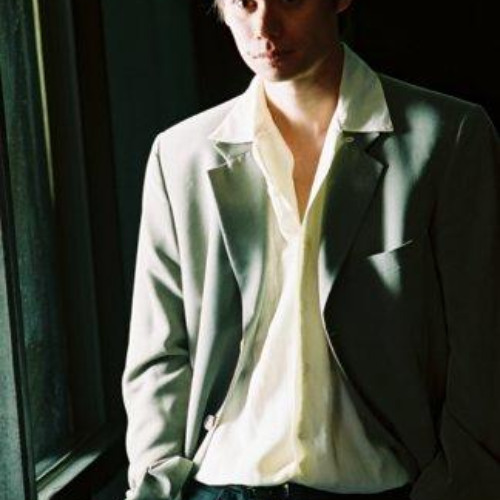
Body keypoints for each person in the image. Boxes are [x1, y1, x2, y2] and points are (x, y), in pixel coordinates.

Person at [121, 0, 500, 499]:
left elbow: (482, 346)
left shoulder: (449, 138)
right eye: (243, 3)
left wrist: (459, 486)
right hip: (219, 485)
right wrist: (156, 479)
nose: (264, 25)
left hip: (384, 485)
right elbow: (158, 350)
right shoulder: (178, 156)